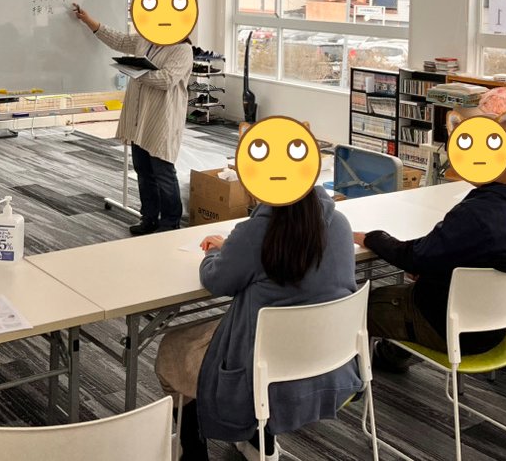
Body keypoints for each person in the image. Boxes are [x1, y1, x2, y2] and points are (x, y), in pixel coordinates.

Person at [154, 186, 360, 461]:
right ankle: (260, 443)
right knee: (275, 330)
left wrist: (213, 254)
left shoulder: (256, 233)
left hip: (263, 379)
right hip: (332, 368)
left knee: (172, 348)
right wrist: (233, 249)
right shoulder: (341, 224)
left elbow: (216, 280)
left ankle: (191, 450)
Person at [354, 112, 506, 374]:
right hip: (496, 325)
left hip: (452, 328)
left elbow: (413, 257)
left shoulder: (477, 214)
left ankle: (356, 376)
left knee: (359, 306)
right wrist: (428, 264)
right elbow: (458, 253)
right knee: (417, 285)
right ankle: (393, 355)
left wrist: (372, 238)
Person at [73, 3, 193, 235]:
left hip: (162, 119)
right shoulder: (145, 40)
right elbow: (118, 39)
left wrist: (136, 72)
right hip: (139, 118)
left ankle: (170, 223)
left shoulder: (182, 50)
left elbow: (166, 80)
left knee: (163, 171)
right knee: (143, 170)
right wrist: (89, 21)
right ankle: (149, 217)